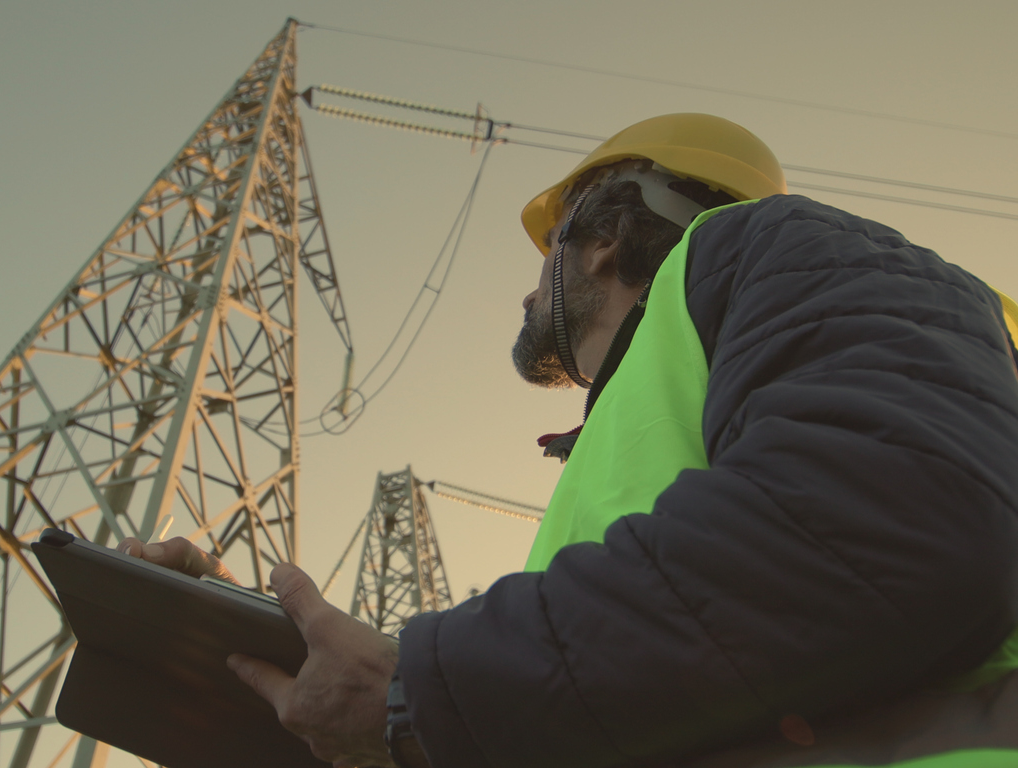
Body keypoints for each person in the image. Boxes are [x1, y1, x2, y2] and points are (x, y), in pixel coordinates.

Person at [119, 113, 1018, 768]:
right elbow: (646, 689)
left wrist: (420, 695)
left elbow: (890, 525)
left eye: (543, 248)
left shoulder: (771, 243)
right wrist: (277, 682)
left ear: (600, 237)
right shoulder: (645, 418)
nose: (525, 290)